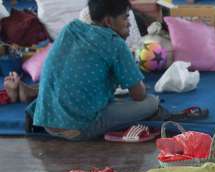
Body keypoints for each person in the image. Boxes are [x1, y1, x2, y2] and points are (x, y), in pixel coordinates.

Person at [25, 0, 160, 141]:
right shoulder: (115, 43)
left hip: (46, 120)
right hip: (78, 128)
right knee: (151, 102)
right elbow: (139, 95)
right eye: (125, 17)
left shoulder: (70, 28)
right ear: (108, 21)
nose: (129, 23)